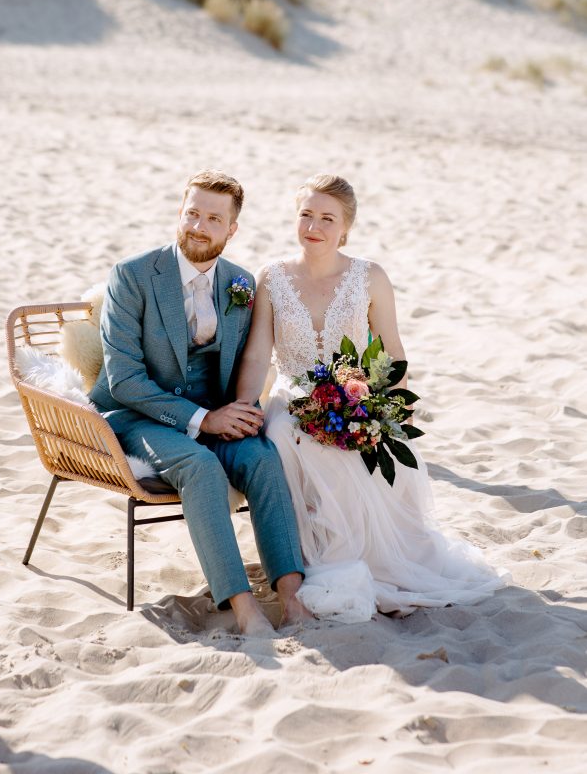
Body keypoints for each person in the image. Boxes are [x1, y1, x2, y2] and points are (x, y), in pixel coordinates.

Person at [236, 173, 507, 622]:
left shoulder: (369, 276)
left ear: (345, 228)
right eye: (305, 215)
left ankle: (357, 559)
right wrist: (247, 409)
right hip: (293, 393)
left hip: (354, 393)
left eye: (327, 218)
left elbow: (394, 354)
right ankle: (309, 561)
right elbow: (257, 357)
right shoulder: (273, 277)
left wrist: (388, 414)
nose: (313, 226)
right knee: (283, 432)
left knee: (361, 449)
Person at [89, 170, 311, 634]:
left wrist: (240, 412)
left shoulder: (241, 283)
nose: (198, 226)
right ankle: (241, 604)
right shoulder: (132, 276)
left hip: (214, 410)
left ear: (232, 229)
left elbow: (249, 358)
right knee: (200, 466)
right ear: (180, 213)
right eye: (192, 213)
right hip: (136, 415)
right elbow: (124, 380)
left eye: (214, 218)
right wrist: (204, 421)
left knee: (263, 457)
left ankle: (292, 595)